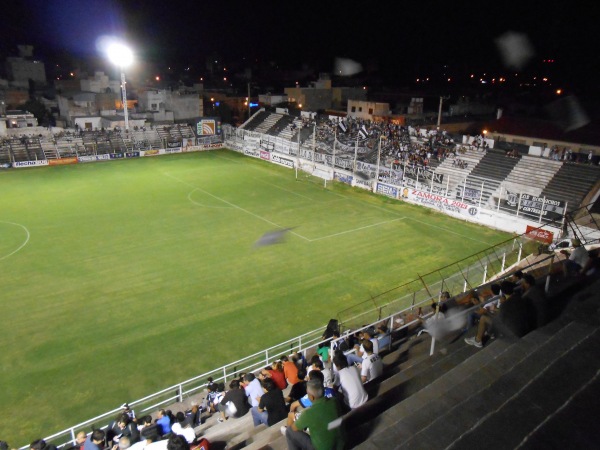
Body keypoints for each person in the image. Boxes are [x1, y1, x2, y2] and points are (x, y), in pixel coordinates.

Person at [284, 379, 345, 450]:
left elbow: (294, 428)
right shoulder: (335, 401)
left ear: (312, 397)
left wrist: (292, 417)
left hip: (322, 448)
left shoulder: (308, 413)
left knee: (289, 431)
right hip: (341, 444)